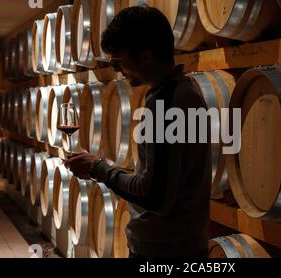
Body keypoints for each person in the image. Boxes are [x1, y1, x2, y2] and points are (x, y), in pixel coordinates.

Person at [65, 6, 212, 259]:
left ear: (145, 56)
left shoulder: (165, 104)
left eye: (118, 60)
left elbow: (154, 196)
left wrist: (97, 168)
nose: (117, 69)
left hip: (163, 251)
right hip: (184, 244)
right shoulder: (186, 90)